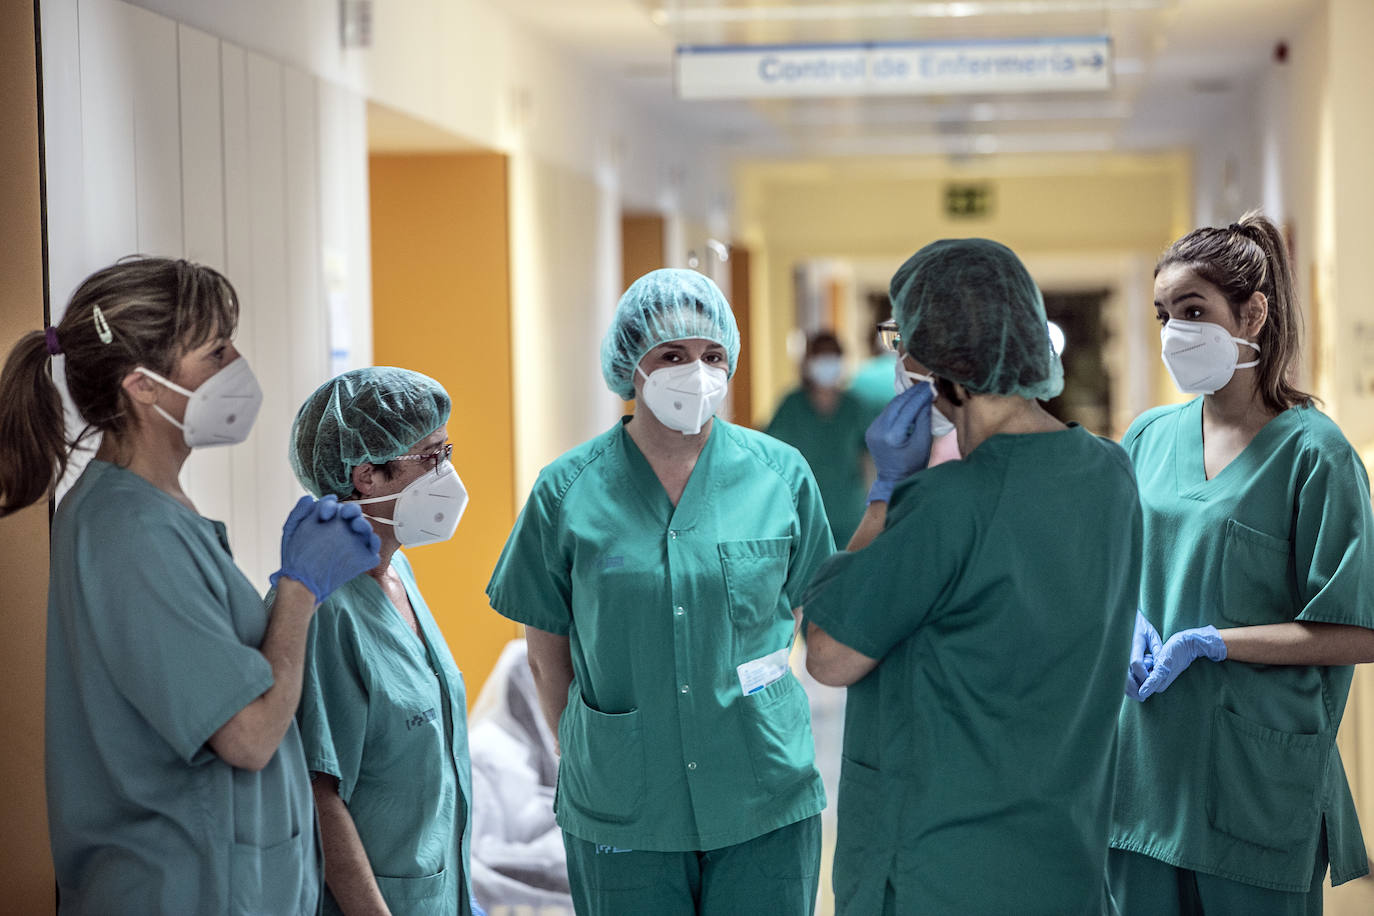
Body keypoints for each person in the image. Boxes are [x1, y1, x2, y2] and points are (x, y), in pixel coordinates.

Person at [0, 257, 381, 914]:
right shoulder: (130, 532)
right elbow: (249, 735)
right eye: (216, 350)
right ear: (143, 387)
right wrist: (299, 587)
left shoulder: (156, 515)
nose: (237, 365)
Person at [800, 239, 1142, 914]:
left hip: (942, 870)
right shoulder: (1111, 475)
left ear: (950, 368)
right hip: (1062, 862)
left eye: (909, 346)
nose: (901, 365)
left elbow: (829, 653)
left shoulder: (945, 505)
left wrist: (884, 492)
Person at [486, 268, 835, 915]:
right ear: (632, 365)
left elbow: (825, 617)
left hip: (763, 787)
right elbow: (544, 652)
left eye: (712, 355)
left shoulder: (779, 476)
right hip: (624, 805)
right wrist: (595, 754)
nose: (695, 371)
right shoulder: (567, 491)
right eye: (673, 355)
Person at [1109, 212, 1374, 914]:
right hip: (1145, 774)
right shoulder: (1147, 437)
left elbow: (1358, 631)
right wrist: (1126, 617)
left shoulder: (1315, 454)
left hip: (1252, 784)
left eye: (1193, 311)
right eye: (1164, 313)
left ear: (1252, 313)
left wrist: (1216, 643)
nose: (1173, 332)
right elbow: (1114, 572)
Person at [287, 367, 482, 916]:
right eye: (431, 458)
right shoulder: (324, 608)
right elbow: (318, 796)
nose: (449, 476)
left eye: (447, 451)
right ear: (367, 475)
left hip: (435, 891)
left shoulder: (399, 576)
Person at [765, 331, 871, 545]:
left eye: (832, 357)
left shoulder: (854, 407)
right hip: (803, 514)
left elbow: (869, 460)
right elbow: (769, 457)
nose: (827, 364)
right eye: (821, 357)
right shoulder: (792, 406)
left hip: (849, 516)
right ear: (808, 362)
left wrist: (875, 510)